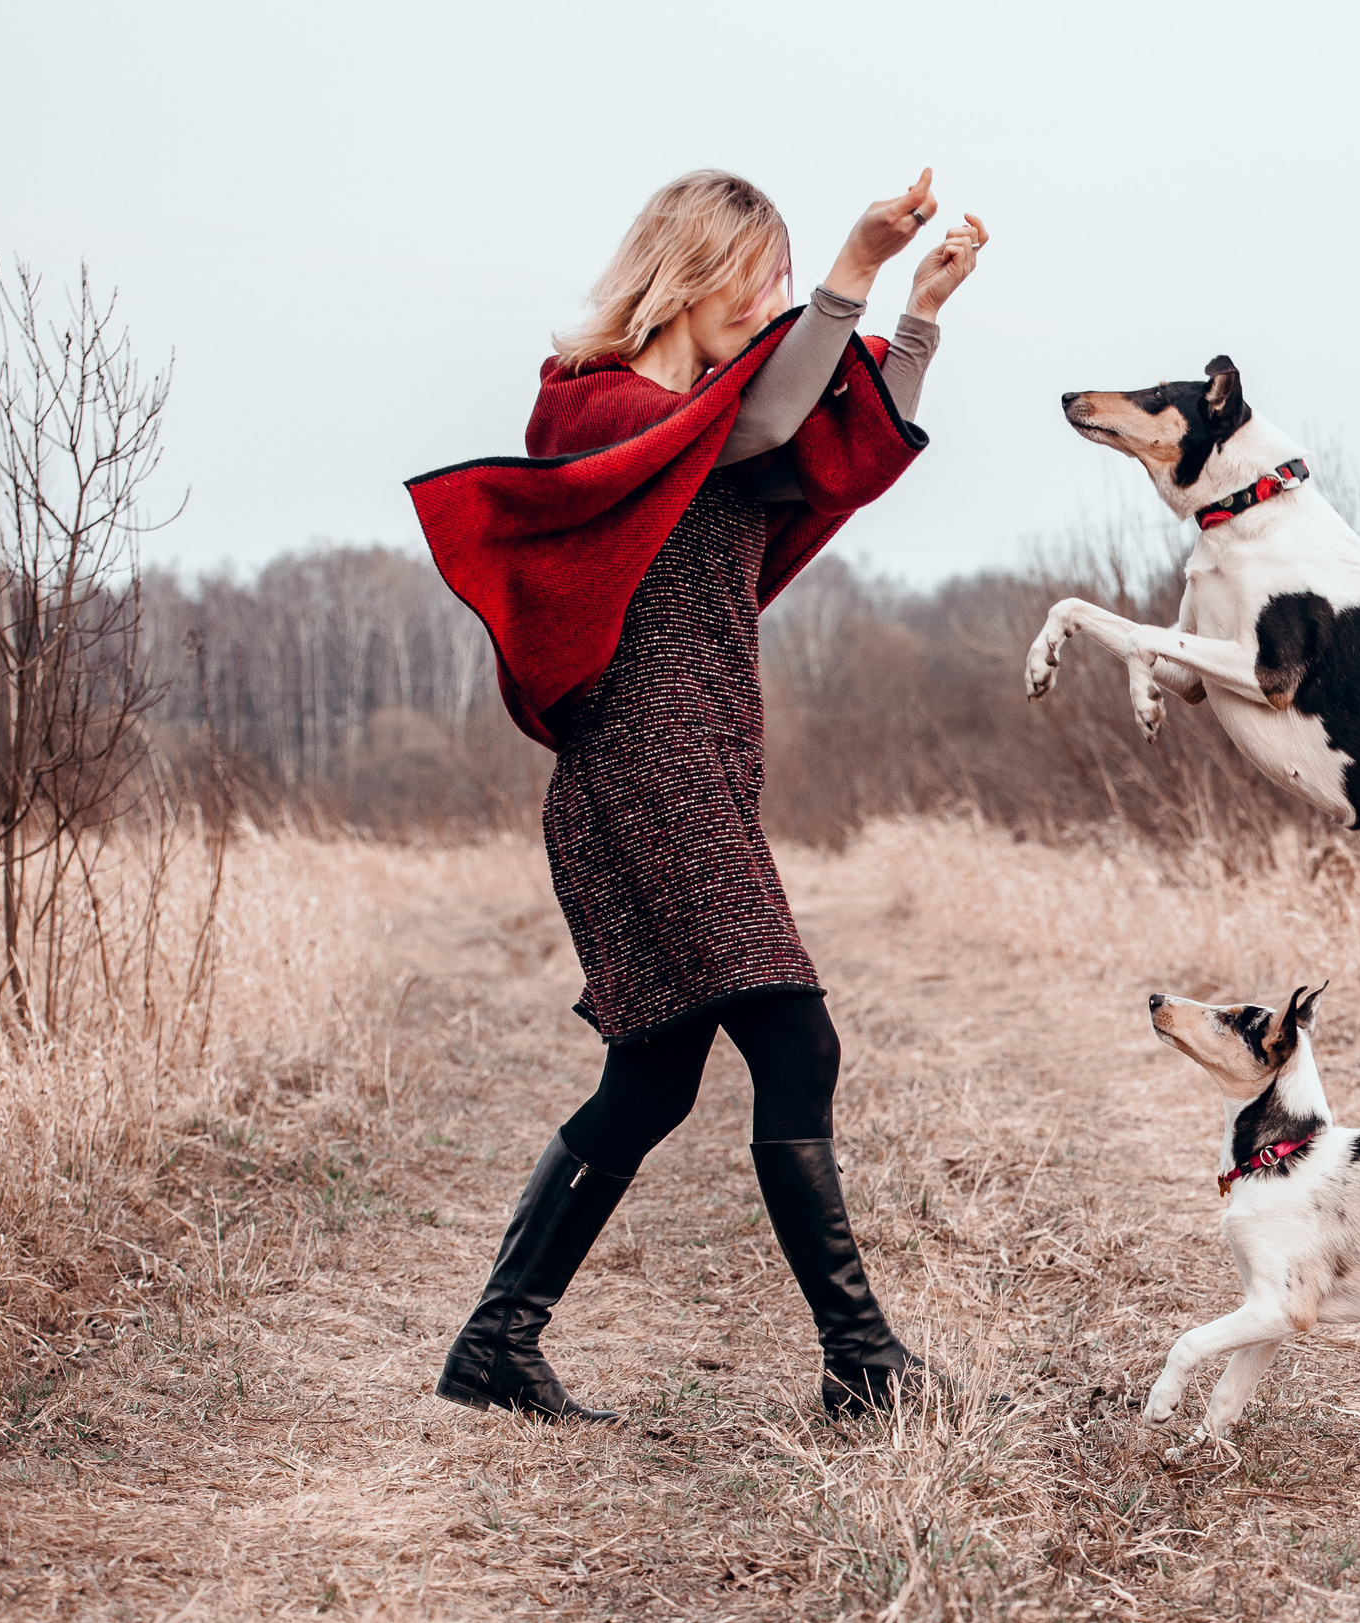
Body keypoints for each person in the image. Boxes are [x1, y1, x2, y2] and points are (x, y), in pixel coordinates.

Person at [410, 167, 986, 1421]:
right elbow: (768, 421)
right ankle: (865, 1364)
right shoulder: (595, 409)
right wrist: (852, 267)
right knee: (796, 1040)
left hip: (699, 763)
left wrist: (921, 317)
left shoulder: (716, 435)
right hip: (645, 769)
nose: (776, 306)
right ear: (687, 268)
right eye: (760, 278)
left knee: (653, 1079)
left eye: (787, 285)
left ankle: (495, 1348)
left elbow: (835, 448)